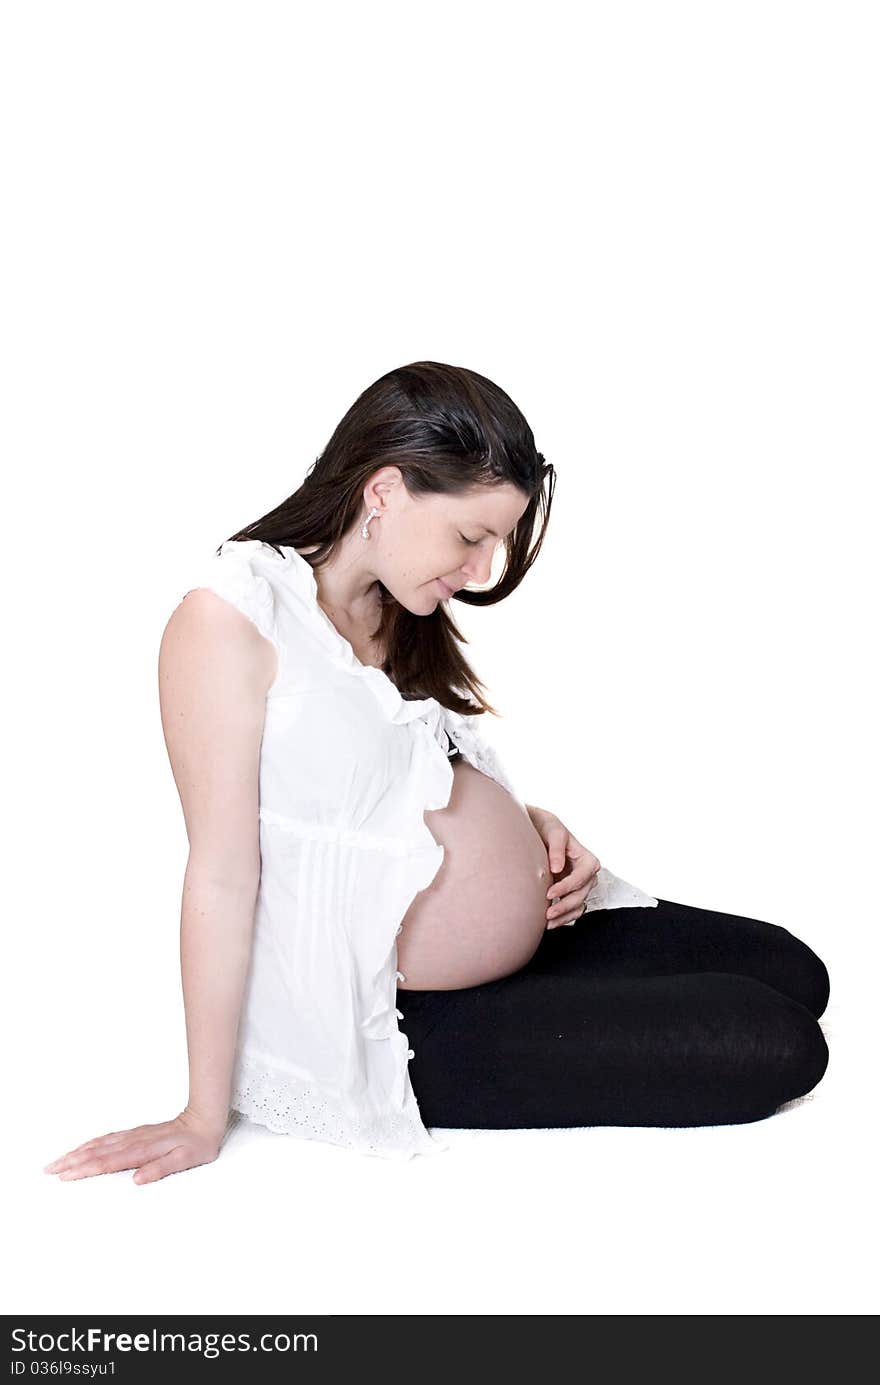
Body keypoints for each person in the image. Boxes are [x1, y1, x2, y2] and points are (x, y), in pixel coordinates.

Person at [43, 361, 830, 1183]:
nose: (484, 568)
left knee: (790, 968)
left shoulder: (393, 601)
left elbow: (395, 784)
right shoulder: (230, 621)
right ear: (383, 491)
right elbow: (221, 871)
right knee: (770, 1042)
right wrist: (202, 1114)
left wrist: (535, 829)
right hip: (386, 1015)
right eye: (471, 536)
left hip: (531, 933)